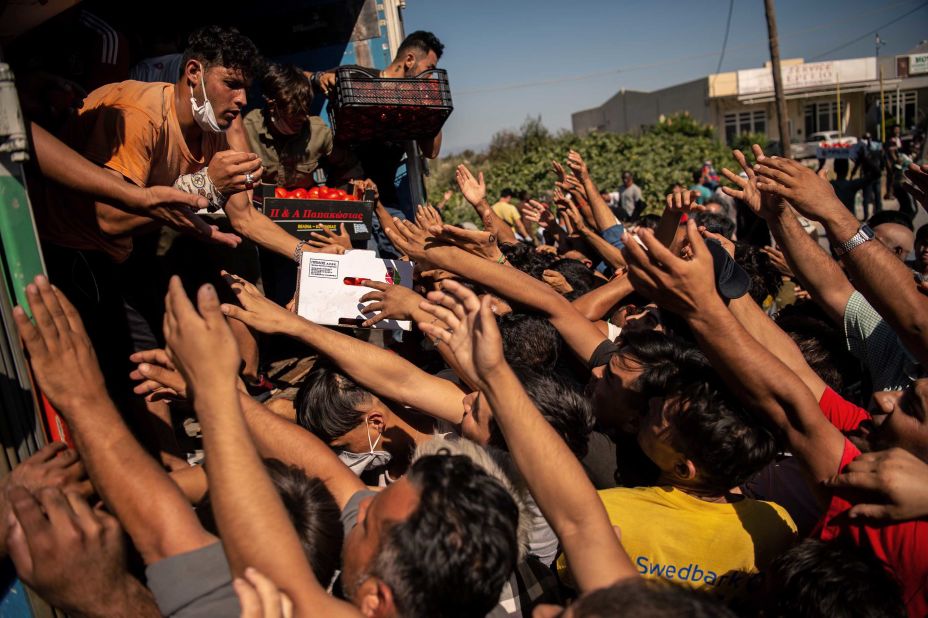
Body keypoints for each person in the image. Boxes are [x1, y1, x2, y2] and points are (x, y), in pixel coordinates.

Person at [309, 31, 446, 256]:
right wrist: (319, 78)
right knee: (364, 265)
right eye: (428, 68)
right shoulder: (358, 78)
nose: (430, 77)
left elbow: (431, 151)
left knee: (409, 260)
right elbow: (302, 80)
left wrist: (433, 107)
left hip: (387, 201)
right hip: (349, 197)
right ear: (409, 60)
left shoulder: (415, 101)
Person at [241, 63, 357, 189]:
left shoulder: (318, 131)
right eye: (295, 112)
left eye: (305, 110)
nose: (303, 118)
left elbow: (349, 166)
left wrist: (334, 194)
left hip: (304, 204)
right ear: (272, 106)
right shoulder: (248, 129)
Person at [851, 132, 883, 217]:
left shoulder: (863, 150)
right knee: (876, 196)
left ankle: (869, 215)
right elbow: (882, 160)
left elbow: (858, 163)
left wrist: (852, 174)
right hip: (875, 175)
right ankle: (877, 214)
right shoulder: (875, 148)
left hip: (869, 177)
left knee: (868, 197)